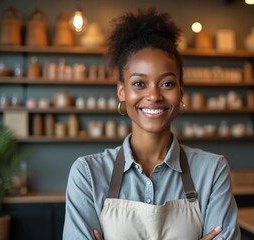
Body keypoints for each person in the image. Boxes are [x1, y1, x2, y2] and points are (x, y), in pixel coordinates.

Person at [63, 8, 240, 240]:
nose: (154, 96)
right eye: (139, 84)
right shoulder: (87, 174)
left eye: (167, 84)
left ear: (181, 91)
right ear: (121, 91)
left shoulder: (213, 171)